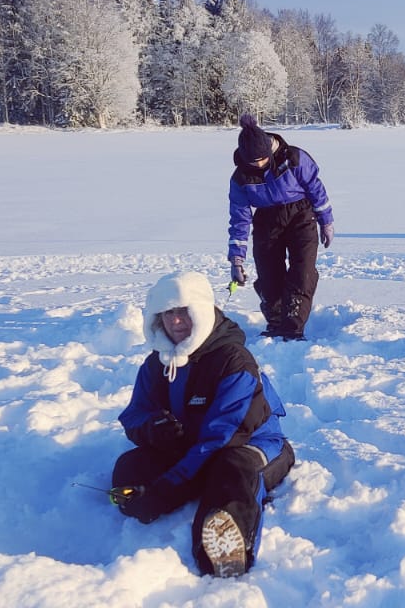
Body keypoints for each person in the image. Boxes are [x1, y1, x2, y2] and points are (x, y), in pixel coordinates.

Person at [111, 271, 294, 578]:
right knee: (130, 467)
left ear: (201, 311)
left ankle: (224, 548)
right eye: (168, 313)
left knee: (231, 471)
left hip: (249, 445)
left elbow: (224, 436)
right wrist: (153, 429)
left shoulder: (234, 361)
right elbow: (134, 415)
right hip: (193, 449)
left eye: (183, 312)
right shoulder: (156, 364)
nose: (176, 321)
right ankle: (161, 496)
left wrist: (169, 487)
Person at [226, 114, 334, 341]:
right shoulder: (240, 178)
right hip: (266, 220)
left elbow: (316, 188)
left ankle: (293, 325)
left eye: (263, 159)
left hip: (300, 215)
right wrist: (237, 259)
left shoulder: (294, 158)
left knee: (302, 271)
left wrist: (326, 221)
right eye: (253, 162)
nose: (259, 164)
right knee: (269, 275)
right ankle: (276, 321)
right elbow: (239, 218)